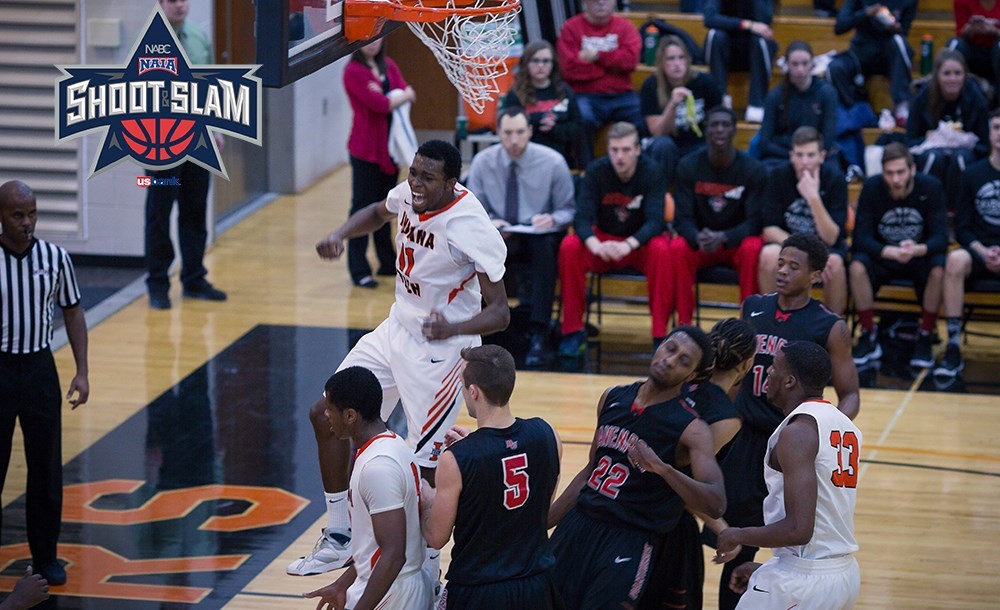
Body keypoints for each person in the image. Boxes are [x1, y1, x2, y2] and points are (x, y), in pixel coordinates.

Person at [288, 140, 509, 576]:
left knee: (426, 470)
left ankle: (429, 571)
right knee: (326, 414)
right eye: (414, 172)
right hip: (396, 328)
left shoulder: (469, 224)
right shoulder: (410, 193)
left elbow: (500, 313)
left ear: (452, 182)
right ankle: (340, 535)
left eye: (428, 177)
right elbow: (376, 213)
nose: (416, 183)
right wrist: (339, 234)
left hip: (440, 353)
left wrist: (452, 329)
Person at [711, 232, 860, 610]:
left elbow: (850, 394)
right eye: (780, 263)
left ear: (816, 275)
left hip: (792, 441)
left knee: (794, 530)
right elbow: (736, 374)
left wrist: (819, 431)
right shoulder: (753, 307)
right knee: (736, 548)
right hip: (746, 440)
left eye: (794, 266)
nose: (782, 271)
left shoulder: (830, 326)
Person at [547, 325, 727, 609]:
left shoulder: (692, 429)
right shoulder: (612, 397)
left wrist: (664, 469)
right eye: (670, 348)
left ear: (692, 376)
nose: (670, 360)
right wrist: (541, 525)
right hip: (578, 525)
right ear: (660, 346)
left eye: (683, 361)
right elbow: (589, 473)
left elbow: (716, 502)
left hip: (629, 539)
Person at [717, 341, 862, 610]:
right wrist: (772, 567)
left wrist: (738, 535)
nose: (768, 373)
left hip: (805, 580)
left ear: (789, 381)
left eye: (774, 368)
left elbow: (798, 530)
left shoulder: (797, 432)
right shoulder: (844, 425)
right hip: (842, 574)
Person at [419, 345, 563, 609]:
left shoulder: (457, 459)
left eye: (463, 385)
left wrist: (427, 496)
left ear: (474, 392)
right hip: (536, 586)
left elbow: (436, 537)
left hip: (480, 591)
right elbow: (535, 508)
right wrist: (476, 448)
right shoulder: (547, 435)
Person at [0, 180, 90, 587]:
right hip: (0, 369)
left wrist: (82, 371)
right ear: (1, 216)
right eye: (18, 215)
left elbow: (73, 312)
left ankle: (46, 557)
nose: (27, 222)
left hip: (39, 369)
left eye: (32, 213)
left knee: (46, 469)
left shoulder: (55, 258)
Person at [639, 318, 756, 610]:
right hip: (661, 522)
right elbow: (682, 485)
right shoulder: (724, 418)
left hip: (623, 500)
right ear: (747, 364)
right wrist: (723, 529)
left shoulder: (673, 381)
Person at [303, 367, 433, 610]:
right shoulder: (391, 444)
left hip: (393, 594)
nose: (326, 415)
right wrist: (342, 584)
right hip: (391, 585)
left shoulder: (378, 468)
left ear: (350, 415)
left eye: (330, 409)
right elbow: (375, 545)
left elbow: (393, 554)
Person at [465, 107, 575, 368]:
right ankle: (482, 328)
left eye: (519, 132)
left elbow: (568, 210)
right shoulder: (482, 162)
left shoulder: (553, 162)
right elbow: (470, 210)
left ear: (530, 132)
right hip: (499, 235)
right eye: (507, 133)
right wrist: (490, 223)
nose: (514, 140)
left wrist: (552, 219)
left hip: (537, 237)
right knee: (475, 247)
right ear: (498, 133)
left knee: (545, 248)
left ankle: (539, 332)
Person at [555, 122, 671, 358]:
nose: (620, 156)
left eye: (626, 150)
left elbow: (656, 221)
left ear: (637, 150)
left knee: (662, 248)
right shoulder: (596, 171)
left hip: (637, 244)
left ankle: (660, 335)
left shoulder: (653, 172)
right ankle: (573, 332)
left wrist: (628, 245)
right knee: (570, 246)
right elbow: (582, 217)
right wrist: (596, 246)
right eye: (614, 150)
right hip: (604, 243)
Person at [145, 0, 227, 309]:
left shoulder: (199, 35)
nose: (180, 5)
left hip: (196, 141)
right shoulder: (149, 42)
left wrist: (215, 130)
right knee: (159, 215)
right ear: (161, 4)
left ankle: (194, 279)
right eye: (172, 0)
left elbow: (209, 87)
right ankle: (157, 284)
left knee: (195, 209)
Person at [849, 142, 948, 369]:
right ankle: (868, 333)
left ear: (912, 169)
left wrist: (917, 249)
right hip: (884, 256)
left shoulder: (931, 187)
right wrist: (890, 252)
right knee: (856, 266)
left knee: (939, 267)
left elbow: (941, 238)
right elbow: (860, 238)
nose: (895, 179)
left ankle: (925, 334)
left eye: (901, 172)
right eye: (889, 173)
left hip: (918, 256)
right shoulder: (872, 187)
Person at [670, 106, 766, 327]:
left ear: (734, 131)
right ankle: (683, 326)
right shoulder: (688, 166)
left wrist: (724, 237)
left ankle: (748, 327)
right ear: (706, 131)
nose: (720, 129)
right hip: (701, 243)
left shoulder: (753, 169)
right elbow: (682, 218)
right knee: (677, 247)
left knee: (753, 247)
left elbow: (755, 222)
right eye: (714, 125)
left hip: (735, 243)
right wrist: (696, 237)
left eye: (725, 125)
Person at [343, 38, 415, 288]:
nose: (373, 44)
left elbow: (404, 92)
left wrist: (401, 95)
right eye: (367, 39)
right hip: (365, 150)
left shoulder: (389, 65)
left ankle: (387, 262)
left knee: (388, 206)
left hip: (390, 150)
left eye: (377, 38)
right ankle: (359, 269)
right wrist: (402, 96)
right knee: (362, 208)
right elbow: (381, 105)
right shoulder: (353, 71)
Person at [935, 109, 1000, 378]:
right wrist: (983, 251)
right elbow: (962, 227)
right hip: (979, 252)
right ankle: (953, 345)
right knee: (954, 260)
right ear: (989, 132)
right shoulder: (972, 174)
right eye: (996, 127)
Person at [759, 127, 849, 315]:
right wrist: (801, 252)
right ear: (791, 155)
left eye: (810, 155)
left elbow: (832, 237)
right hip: (788, 245)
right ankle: (770, 321)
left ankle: (833, 327)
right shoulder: (778, 175)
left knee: (835, 263)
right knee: (768, 255)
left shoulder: (836, 179)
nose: (805, 162)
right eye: (799, 155)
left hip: (825, 249)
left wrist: (813, 197)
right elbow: (769, 229)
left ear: (822, 156)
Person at [557, 0, 643, 167]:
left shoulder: (625, 27)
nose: (601, 2)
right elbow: (569, 70)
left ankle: (638, 172)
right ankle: (587, 172)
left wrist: (597, 56)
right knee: (581, 118)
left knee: (643, 117)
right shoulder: (571, 28)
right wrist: (612, 68)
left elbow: (630, 62)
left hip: (622, 95)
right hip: (586, 95)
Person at [905, 49, 989, 209]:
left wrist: (965, 140)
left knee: (960, 158)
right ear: (937, 75)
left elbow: (984, 146)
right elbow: (910, 141)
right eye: (947, 73)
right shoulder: (922, 97)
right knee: (933, 157)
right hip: (930, 154)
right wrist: (930, 139)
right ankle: (927, 208)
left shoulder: (976, 97)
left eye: (957, 73)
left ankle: (960, 211)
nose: (952, 79)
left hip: (965, 155)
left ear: (965, 75)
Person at [641, 35, 724, 186]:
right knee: (662, 145)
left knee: (707, 148)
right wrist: (673, 104)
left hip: (695, 145)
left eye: (681, 57)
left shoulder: (705, 82)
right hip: (666, 149)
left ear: (688, 60)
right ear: (661, 63)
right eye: (671, 59)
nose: (677, 64)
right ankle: (660, 194)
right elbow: (657, 132)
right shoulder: (651, 86)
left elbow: (720, 119)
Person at [827, 0, 917, 124]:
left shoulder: (908, 1)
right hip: (862, 52)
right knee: (835, 68)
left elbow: (904, 32)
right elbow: (839, 27)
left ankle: (901, 104)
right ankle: (856, 110)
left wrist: (894, 28)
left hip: (889, 55)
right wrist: (865, 13)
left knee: (899, 41)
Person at [757, 41, 840, 171]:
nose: (800, 70)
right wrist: (796, 157)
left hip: (816, 156)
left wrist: (809, 157)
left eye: (805, 63)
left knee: (834, 173)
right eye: (794, 64)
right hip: (783, 155)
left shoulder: (827, 93)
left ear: (812, 64)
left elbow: (828, 138)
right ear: (787, 65)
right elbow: (764, 142)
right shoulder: (775, 96)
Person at [503, 40, 581, 167]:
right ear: (526, 64)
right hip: (526, 159)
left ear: (553, 64)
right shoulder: (515, 94)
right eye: (535, 61)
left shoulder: (564, 91)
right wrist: (535, 124)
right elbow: (508, 129)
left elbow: (577, 127)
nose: (540, 65)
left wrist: (555, 128)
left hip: (561, 159)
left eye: (546, 61)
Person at [703, 0, 778, 123]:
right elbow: (710, 19)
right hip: (726, 51)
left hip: (752, 52)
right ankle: (720, 99)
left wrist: (751, 25)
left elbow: (764, 22)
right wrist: (746, 24)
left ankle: (756, 104)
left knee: (761, 41)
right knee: (714, 35)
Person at [948, 0, 1000, 83]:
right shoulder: (961, 1)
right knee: (956, 43)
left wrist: (995, 31)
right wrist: (969, 29)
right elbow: (960, 32)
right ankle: (950, 83)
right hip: (973, 48)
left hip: (996, 50)